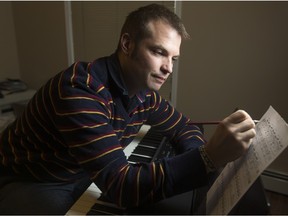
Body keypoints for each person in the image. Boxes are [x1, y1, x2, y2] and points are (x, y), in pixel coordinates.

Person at [0, 3, 256, 214]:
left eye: (173, 58)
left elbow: (184, 126)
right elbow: (121, 188)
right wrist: (207, 158)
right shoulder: (79, 91)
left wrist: (199, 156)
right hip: (35, 178)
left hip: (80, 168)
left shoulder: (143, 93)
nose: (169, 68)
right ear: (127, 44)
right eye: (158, 52)